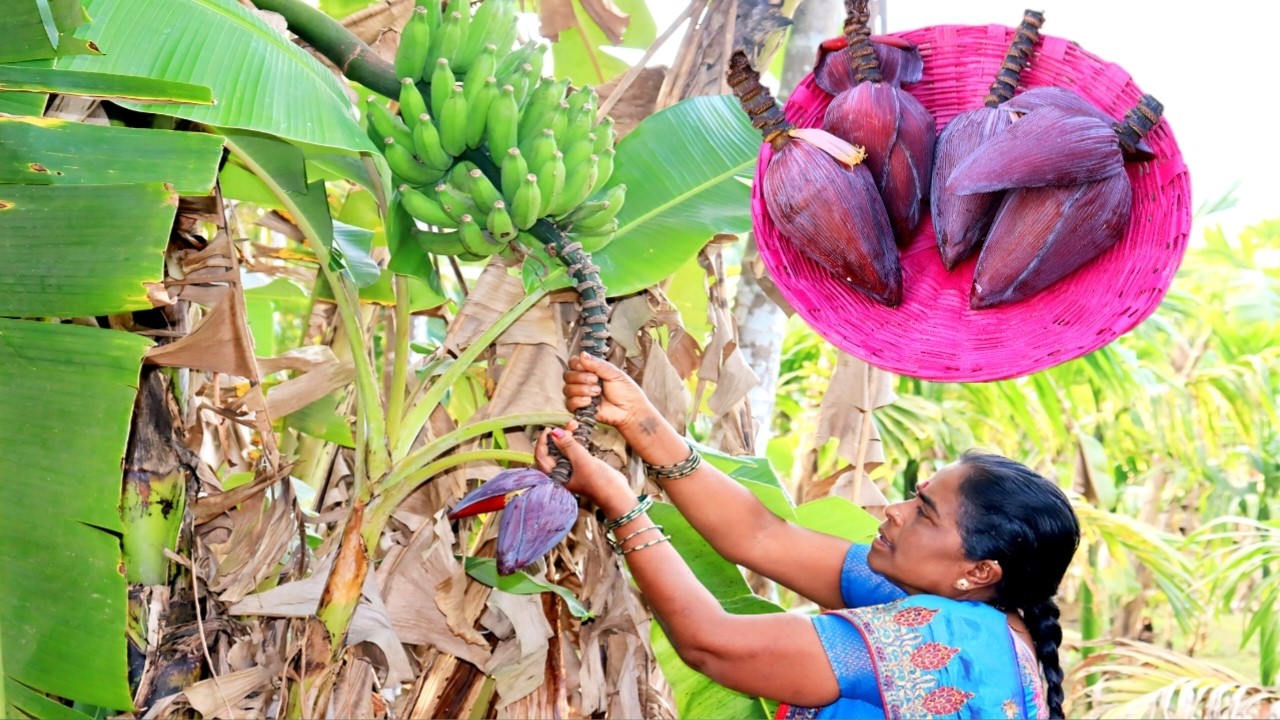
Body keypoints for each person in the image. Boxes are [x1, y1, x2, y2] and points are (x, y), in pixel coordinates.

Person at [532, 352, 1081, 720]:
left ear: (980, 571)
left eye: (924, 513)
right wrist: (640, 421)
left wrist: (619, 502)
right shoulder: (962, 610)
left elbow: (711, 644)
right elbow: (761, 536)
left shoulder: (947, 635)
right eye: (914, 495)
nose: (893, 510)